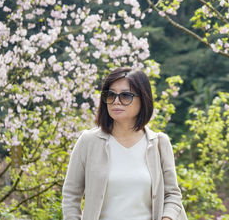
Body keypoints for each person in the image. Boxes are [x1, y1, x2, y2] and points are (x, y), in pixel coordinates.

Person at [62, 67, 186, 220]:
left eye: (125, 96)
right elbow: (71, 195)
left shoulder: (159, 143)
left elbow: (172, 195)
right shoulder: (89, 142)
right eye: (111, 95)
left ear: (143, 99)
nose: (116, 101)